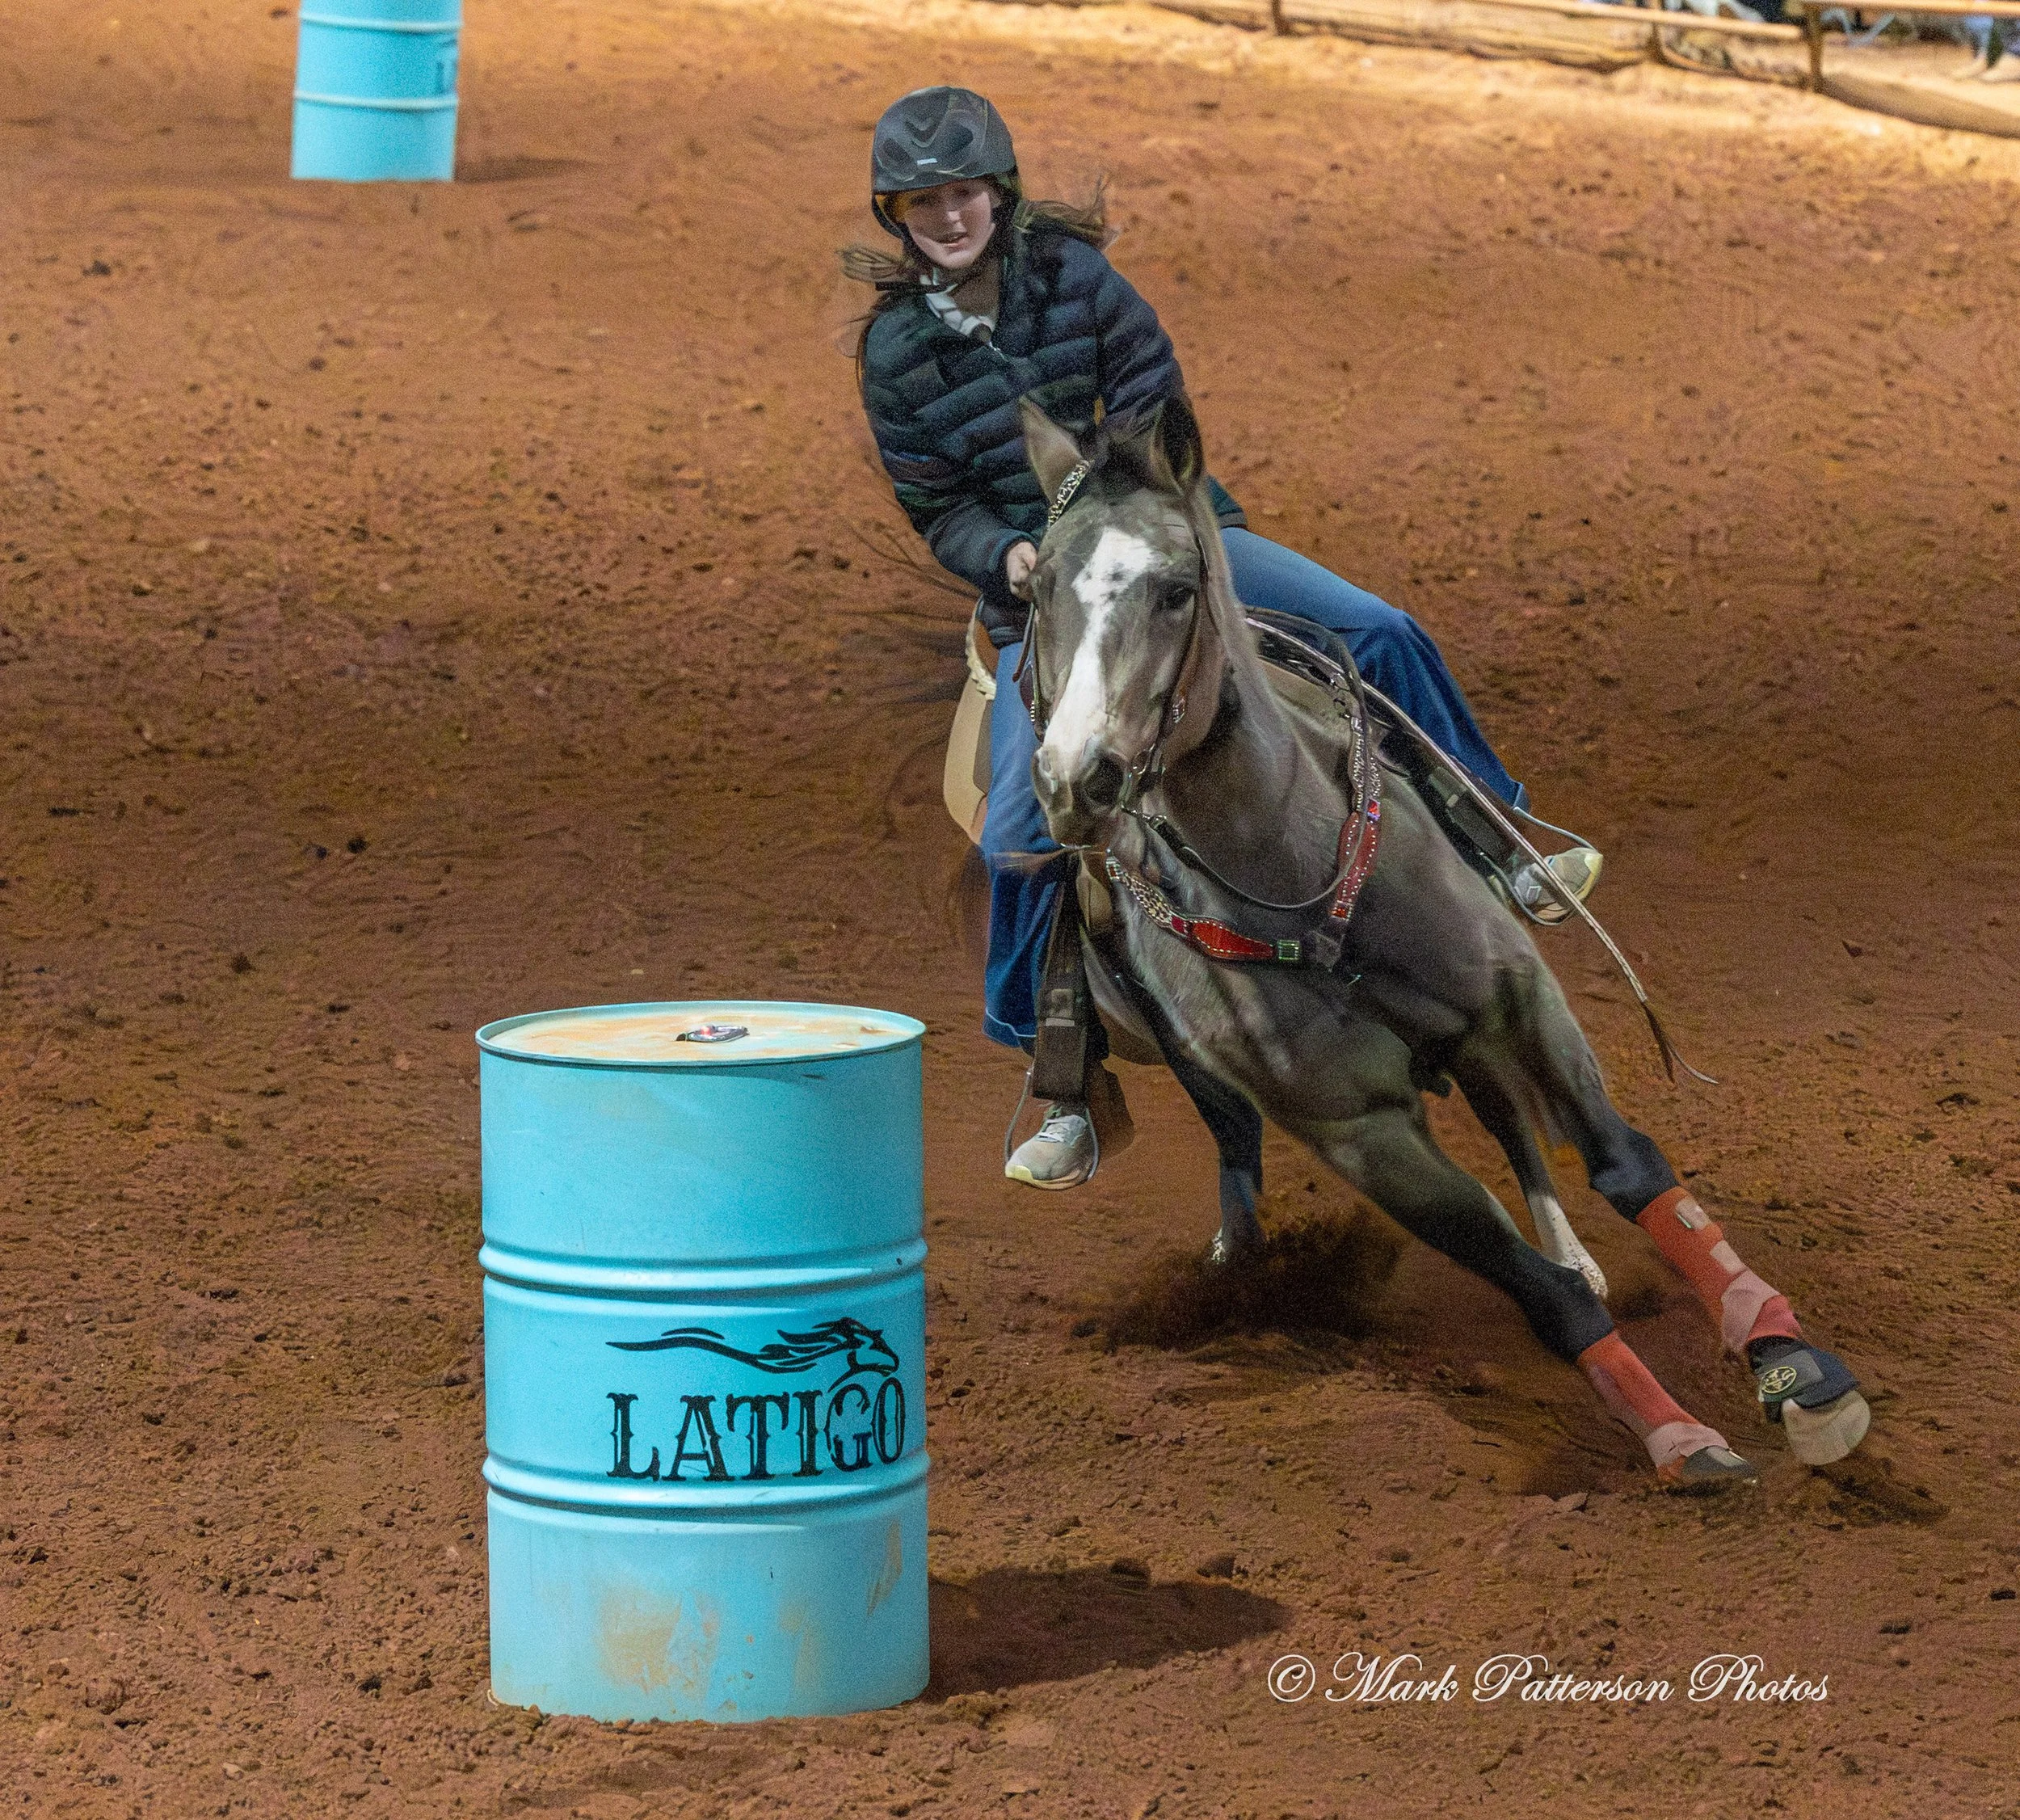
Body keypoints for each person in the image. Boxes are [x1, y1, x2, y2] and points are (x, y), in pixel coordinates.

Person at [846, 86, 1601, 1190]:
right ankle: (1062, 1074)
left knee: (1381, 632)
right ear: (897, 214)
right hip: (1044, 602)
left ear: (998, 194)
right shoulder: (897, 356)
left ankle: (1503, 838)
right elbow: (937, 506)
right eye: (925, 201)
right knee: (1018, 828)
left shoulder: (1079, 282)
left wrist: (1134, 516)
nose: (950, 216)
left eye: (964, 193)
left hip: (1172, 548)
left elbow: (1156, 404)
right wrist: (1008, 555)